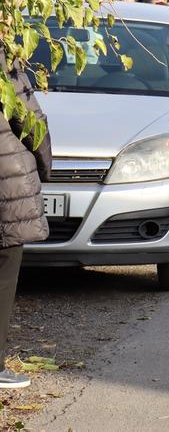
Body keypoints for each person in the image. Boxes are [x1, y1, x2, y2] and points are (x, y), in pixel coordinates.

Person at [0, 52, 51, 389]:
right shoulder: (6, 60)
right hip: (6, 182)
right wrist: (44, 169)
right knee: (4, 269)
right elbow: (31, 124)